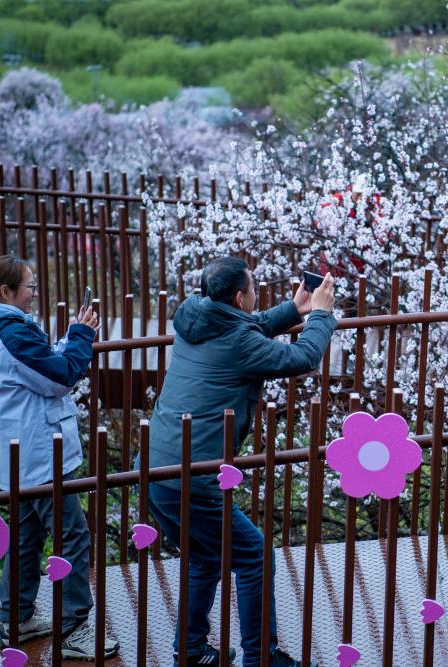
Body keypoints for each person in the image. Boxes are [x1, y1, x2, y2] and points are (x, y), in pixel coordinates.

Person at [143, 256, 336, 667]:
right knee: (254, 557)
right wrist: (320, 315)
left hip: (157, 471)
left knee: (205, 558)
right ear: (238, 296)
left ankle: (192, 651)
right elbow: (302, 357)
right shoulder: (238, 340)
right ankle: (262, 656)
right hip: (192, 479)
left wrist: (294, 309)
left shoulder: (194, 316)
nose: (254, 294)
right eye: (252, 288)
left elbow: (245, 328)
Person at [0, 255, 119, 658]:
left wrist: (69, 340)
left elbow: (38, 368)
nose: (34, 295)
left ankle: (18, 619)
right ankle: (74, 629)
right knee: (72, 535)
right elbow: (59, 376)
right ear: (6, 292)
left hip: (18, 453)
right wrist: (82, 337)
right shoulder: (11, 333)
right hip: (39, 454)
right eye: (30, 287)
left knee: (27, 537)